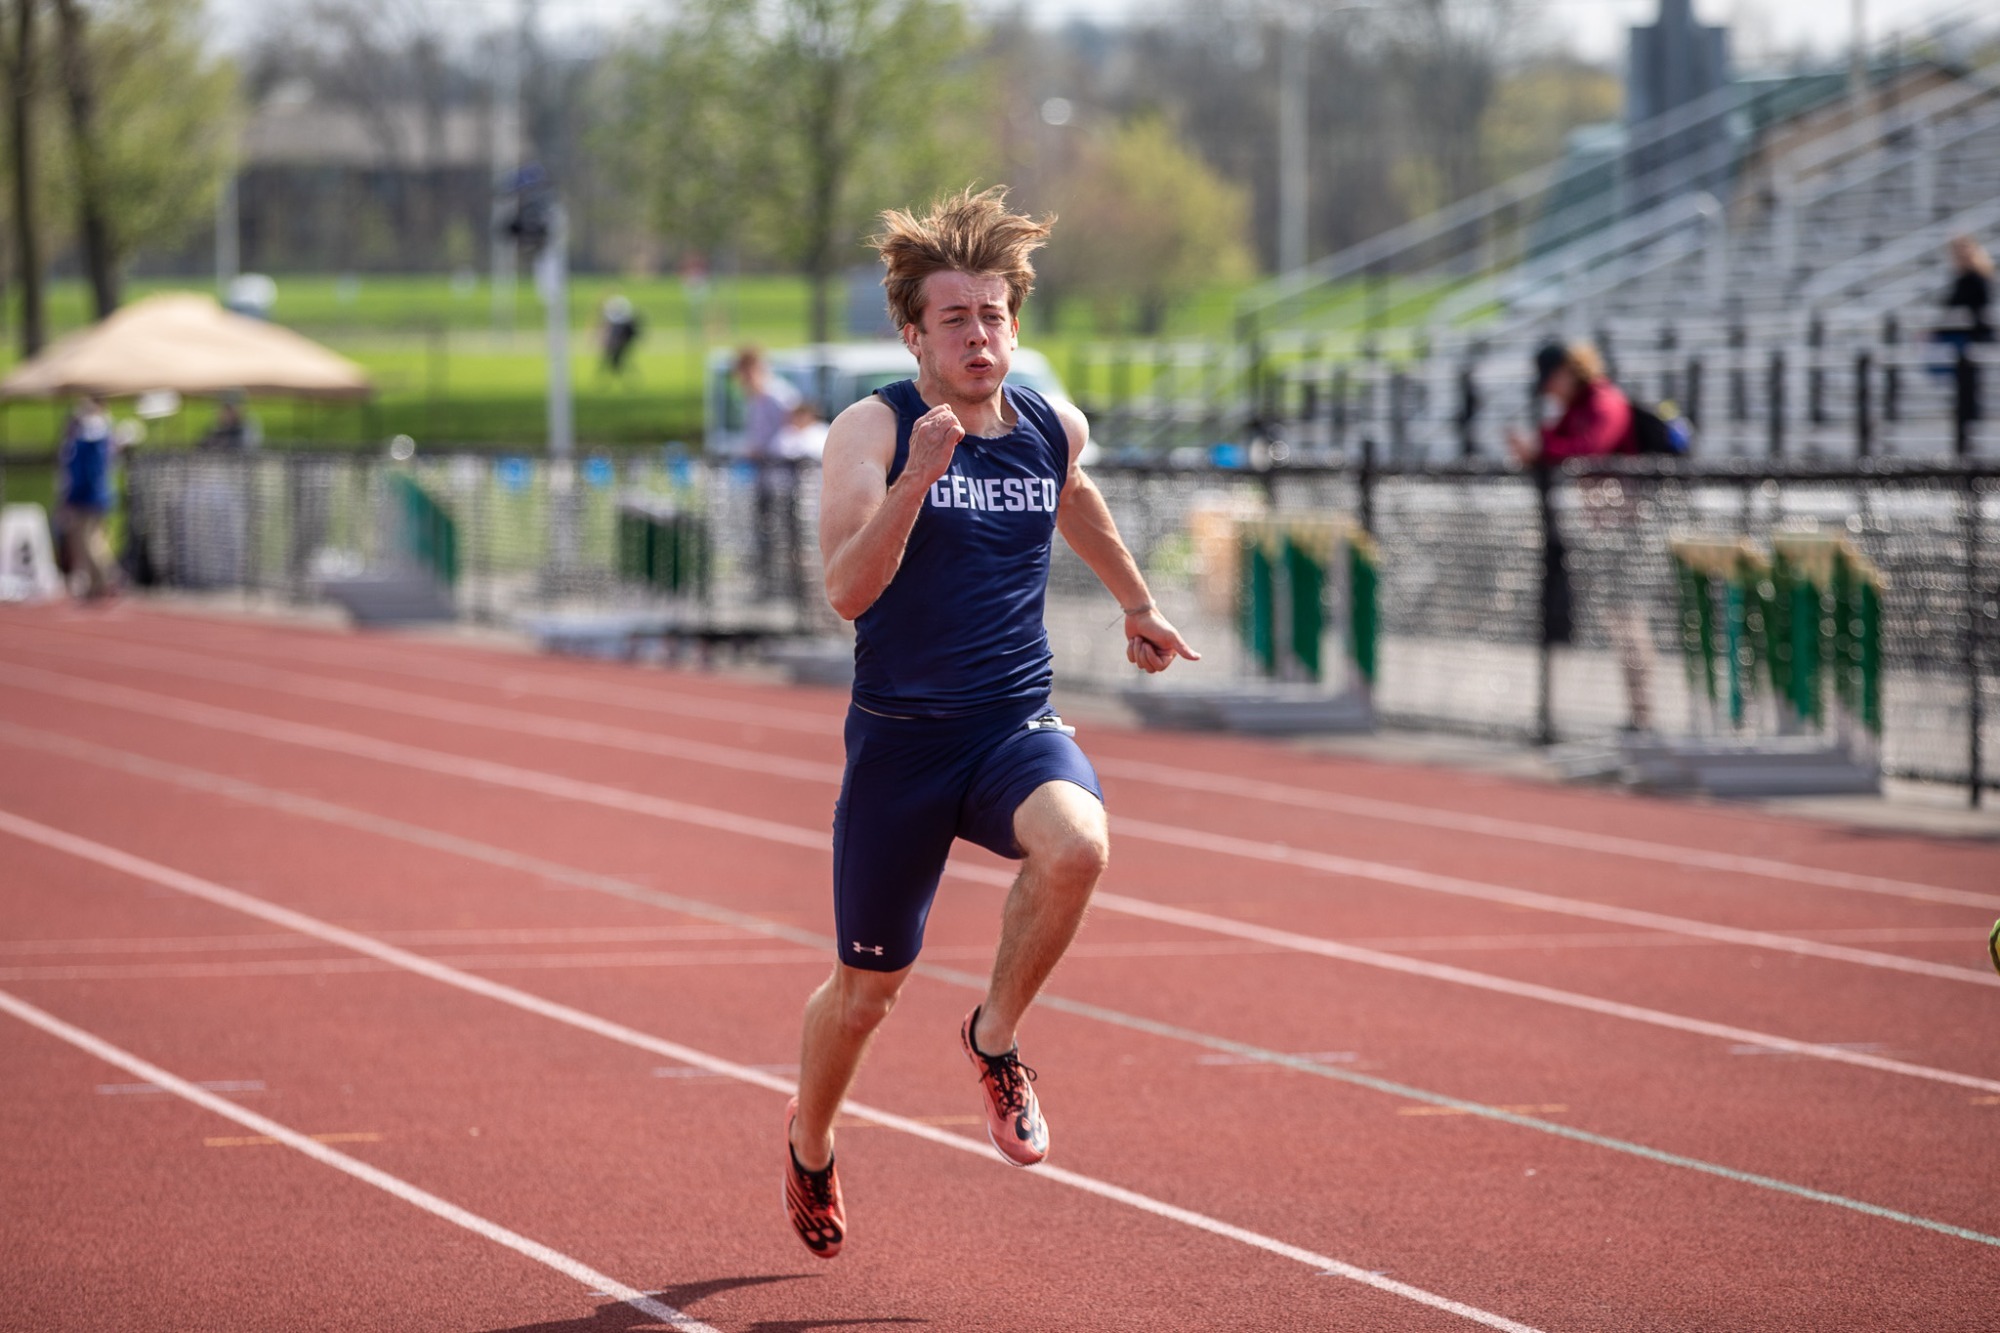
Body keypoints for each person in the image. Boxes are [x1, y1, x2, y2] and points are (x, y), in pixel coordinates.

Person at [782, 186, 1199, 1259]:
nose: (980, 335)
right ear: (912, 330)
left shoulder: (1048, 427)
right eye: (956, 318)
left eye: (995, 315)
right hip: (902, 747)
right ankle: (812, 1137)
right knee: (866, 992)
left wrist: (1137, 602)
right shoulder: (867, 430)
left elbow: (1074, 498)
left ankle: (994, 1036)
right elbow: (844, 591)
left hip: (1012, 724)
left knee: (1079, 845)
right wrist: (916, 480)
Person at [1507, 341, 1654, 732]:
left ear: (1570, 371)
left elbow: (1590, 448)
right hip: (1606, 528)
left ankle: (1643, 715)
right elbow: (1552, 441)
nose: (1549, 391)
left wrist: (1541, 449)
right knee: (1617, 619)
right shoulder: (1574, 410)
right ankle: (1638, 714)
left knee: (1627, 619)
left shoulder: (1604, 401)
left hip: (1628, 528)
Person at [734, 346, 805, 596]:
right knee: (765, 533)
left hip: (783, 477)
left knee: (790, 532)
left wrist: (768, 450)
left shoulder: (779, 396)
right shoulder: (756, 400)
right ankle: (768, 584)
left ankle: (794, 585)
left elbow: (796, 430)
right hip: (764, 478)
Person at [55, 395, 119, 602]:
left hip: (89, 497)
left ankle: (107, 577)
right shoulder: (91, 440)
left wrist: (72, 497)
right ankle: (96, 582)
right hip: (89, 496)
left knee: (90, 541)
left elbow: (86, 473)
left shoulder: (90, 441)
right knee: (86, 541)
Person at [599, 295, 643, 380]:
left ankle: (617, 373)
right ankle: (616, 372)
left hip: (620, 345)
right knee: (615, 361)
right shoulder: (623, 321)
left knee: (616, 361)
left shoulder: (623, 323)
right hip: (619, 345)